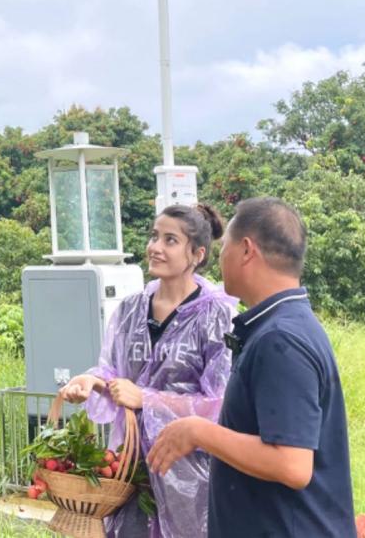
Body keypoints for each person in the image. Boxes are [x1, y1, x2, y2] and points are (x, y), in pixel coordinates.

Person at [146, 197, 357, 538]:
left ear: (246, 250)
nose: (221, 258)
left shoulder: (281, 339)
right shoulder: (283, 324)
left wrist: (200, 432)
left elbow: (291, 464)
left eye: (225, 246)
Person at [58, 203, 236, 538]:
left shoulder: (216, 316)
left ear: (197, 254)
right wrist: (91, 381)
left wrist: (147, 399)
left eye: (170, 240)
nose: (155, 247)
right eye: (154, 236)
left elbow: (220, 403)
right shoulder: (130, 309)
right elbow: (113, 371)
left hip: (187, 471)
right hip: (130, 468)